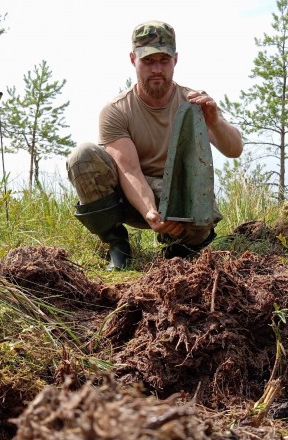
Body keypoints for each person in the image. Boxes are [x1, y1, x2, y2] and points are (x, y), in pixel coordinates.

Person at [66, 20, 243, 270]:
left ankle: (178, 250)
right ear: (132, 60)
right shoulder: (116, 110)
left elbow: (234, 150)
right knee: (82, 156)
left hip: (176, 199)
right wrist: (150, 211)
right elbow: (128, 169)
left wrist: (214, 122)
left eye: (164, 60)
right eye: (148, 61)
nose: (157, 69)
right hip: (126, 196)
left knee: (202, 211)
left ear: (176, 60)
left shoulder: (194, 103)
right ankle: (117, 245)